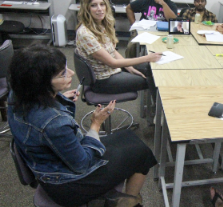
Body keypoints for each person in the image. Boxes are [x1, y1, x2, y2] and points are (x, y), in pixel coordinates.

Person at [8, 45, 157, 207]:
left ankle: (125, 200)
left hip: (46, 166)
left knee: (128, 138)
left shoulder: (18, 94)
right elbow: (82, 164)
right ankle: (129, 202)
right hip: (67, 186)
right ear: (41, 84)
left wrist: (57, 98)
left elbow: (43, 125)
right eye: (62, 74)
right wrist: (95, 124)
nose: (71, 73)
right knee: (142, 153)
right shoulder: (53, 122)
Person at [75, 0, 162, 101]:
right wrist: (147, 58)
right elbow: (113, 63)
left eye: (102, 4)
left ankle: (154, 110)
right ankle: (156, 115)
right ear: (86, 8)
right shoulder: (85, 33)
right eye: (94, 5)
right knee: (154, 79)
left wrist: (129, 68)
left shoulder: (100, 24)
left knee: (151, 69)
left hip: (112, 70)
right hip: (102, 80)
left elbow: (112, 50)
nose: (100, 9)